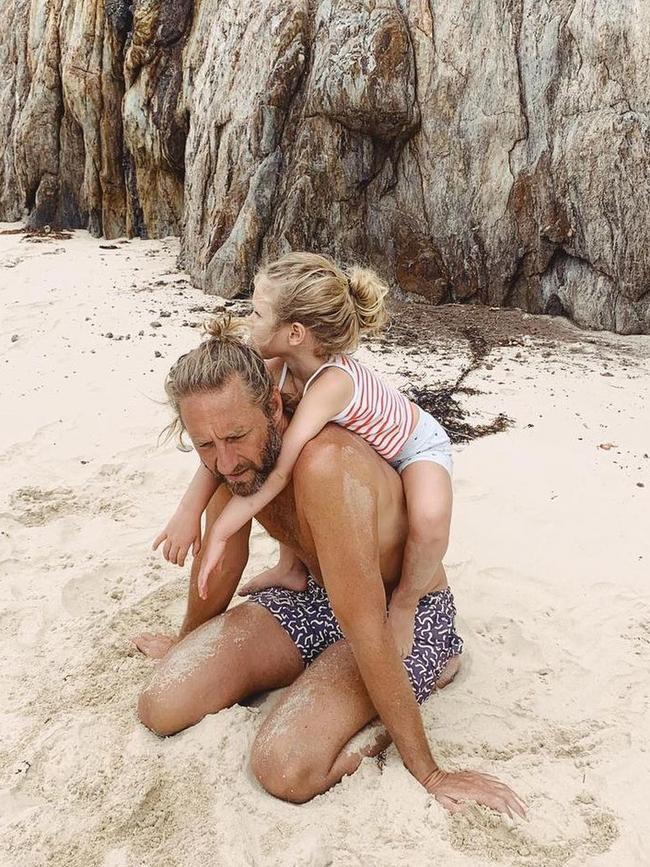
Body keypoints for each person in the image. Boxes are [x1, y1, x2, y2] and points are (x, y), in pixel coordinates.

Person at [134, 320, 526, 818]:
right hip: (316, 598)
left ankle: (434, 670)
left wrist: (429, 771)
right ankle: (311, 672)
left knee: (285, 768)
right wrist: (185, 642)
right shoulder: (236, 457)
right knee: (161, 705)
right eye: (205, 445)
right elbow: (223, 551)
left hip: (396, 615)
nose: (225, 460)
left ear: (274, 407)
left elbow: (364, 622)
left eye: (234, 437)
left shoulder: (323, 465)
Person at [155, 253, 454, 658]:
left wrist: (224, 526)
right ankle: (292, 569)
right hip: (355, 449)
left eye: (257, 314)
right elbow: (225, 425)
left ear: (294, 332)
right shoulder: (274, 366)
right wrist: (188, 511)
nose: (248, 322)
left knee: (430, 520)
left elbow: (279, 472)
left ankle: (404, 605)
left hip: (413, 445)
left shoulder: (332, 384)